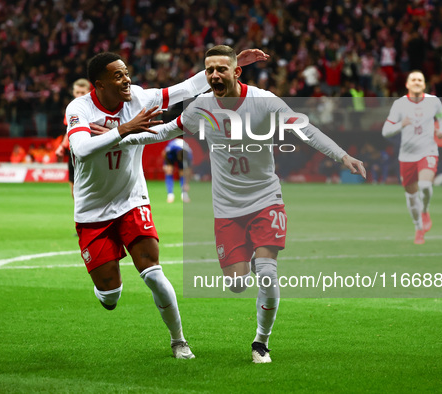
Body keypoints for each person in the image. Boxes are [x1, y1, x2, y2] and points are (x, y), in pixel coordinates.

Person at [120, 45, 366, 363]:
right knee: (236, 284)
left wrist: (342, 155)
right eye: (209, 70)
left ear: (236, 71)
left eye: (221, 69)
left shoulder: (264, 102)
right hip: (226, 209)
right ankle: (247, 263)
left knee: (267, 273)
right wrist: (117, 135)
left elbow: (306, 130)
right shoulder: (201, 107)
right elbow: (165, 131)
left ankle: (261, 343)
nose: (214, 75)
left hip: (266, 200)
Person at [65, 49, 268, 359]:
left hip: (132, 200)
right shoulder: (79, 108)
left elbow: (183, 90)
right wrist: (124, 129)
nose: (126, 79)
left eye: (126, 72)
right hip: (92, 209)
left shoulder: (138, 98)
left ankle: (179, 341)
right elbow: (80, 148)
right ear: (100, 84)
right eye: (118, 75)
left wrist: (233, 63)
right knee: (110, 294)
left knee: (154, 273)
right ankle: (106, 291)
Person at [382, 70, 442, 244]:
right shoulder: (399, 105)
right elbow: (385, 131)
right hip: (406, 156)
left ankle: (425, 211)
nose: (417, 82)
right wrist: (400, 124)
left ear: (424, 84)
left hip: (428, 151)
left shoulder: (433, 102)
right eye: (413, 79)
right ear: (407, 84)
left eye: (420, 79)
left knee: (426, 185)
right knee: (411, 197)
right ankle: (418, 228)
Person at [56, 78, 92, 198]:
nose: (80, 95)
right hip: (74, 153)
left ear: (89, 91)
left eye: (83, 92)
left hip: (91, 152)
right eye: (77, 92)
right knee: (74, 190)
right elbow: (70, 131)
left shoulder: (94, 108)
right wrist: (62, 146)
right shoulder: (72, 109)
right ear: (73, 92)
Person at [163, 137, 192, 203]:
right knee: (169, 171)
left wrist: (187, 183)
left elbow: (188, 170)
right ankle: (170, 195)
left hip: (182, 155)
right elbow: (164, 153)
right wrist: (165, 165)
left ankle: (184, 194)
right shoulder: (171, 148)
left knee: (183, 173)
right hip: (171, 155)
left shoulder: (189, 154)